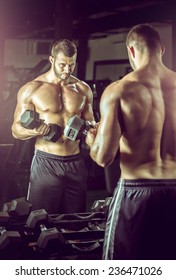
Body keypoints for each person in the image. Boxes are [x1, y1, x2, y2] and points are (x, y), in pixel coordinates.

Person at [85, 23, 176, 260]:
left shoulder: (119, 91)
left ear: (131, 51)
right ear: (162, 50)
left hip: (137, 192)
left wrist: (91, 139)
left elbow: (104, 157)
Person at [11, 39, 96, 214]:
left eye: (71, 65)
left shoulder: (82, 89)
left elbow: (91, 124)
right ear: (52, 60)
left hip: (75, 163)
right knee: (41, 221)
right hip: (46, 162)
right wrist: (33, 130)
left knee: (75, 221)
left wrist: (92, 130)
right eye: (63, 64)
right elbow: (15, 129)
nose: (67, 70)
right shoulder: (32, 89)